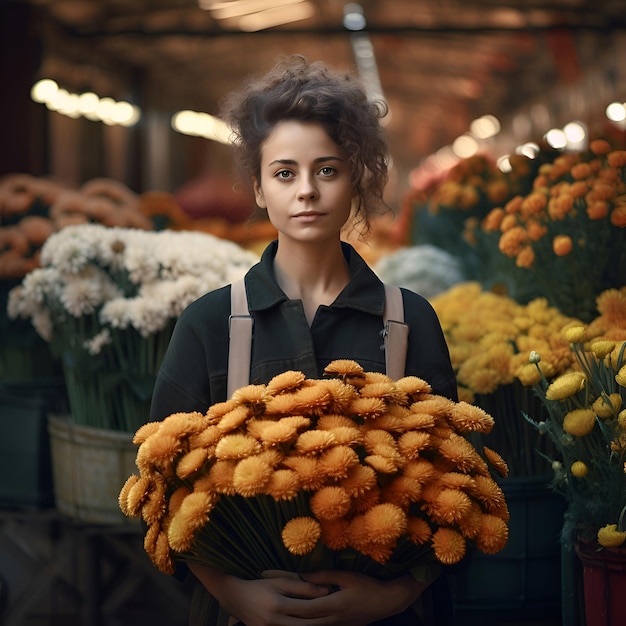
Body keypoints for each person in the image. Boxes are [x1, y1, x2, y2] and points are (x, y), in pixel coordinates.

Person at [150, 55, 458, 626]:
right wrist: (232, 594)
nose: (307, 192)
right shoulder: (210, 323)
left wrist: (395, 596)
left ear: (356, 178)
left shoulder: (410, 320)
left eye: (328, 170)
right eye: (285, 173)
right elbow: (162, 492)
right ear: (260, 189)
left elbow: (453, 487)